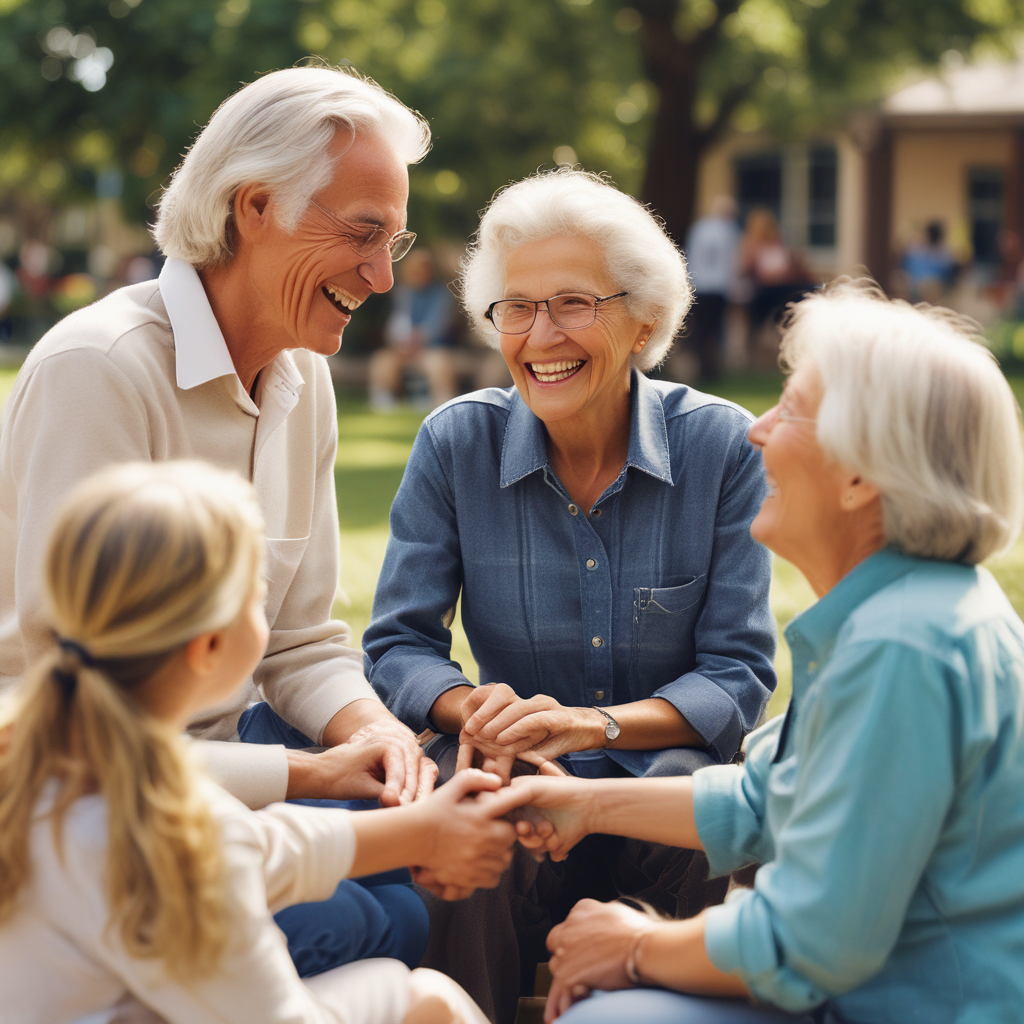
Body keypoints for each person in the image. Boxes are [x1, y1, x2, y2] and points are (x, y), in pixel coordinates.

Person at [0, 66, 433, 977]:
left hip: (217, 771)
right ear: (255, 207)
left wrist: (373, 734)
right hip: (78, 804)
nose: (381, 275)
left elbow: (301, 638)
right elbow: (70, 705)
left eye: (393, 241)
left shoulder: (302, 374)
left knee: (418, 872)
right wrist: (309, 777)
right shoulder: (99, 370)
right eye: (362, 234)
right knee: (361, 920)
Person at [511, 279, 1024, 1023]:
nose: (757, 430)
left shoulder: (902, 647)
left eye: (790, 410)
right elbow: (769, 799)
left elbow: (807, 940)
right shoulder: (913, 611)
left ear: (858, 475)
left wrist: (631, 945)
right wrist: (584, 803)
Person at [363, 168, 777, 1023]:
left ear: (645, 321)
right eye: (517, 306)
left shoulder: (722, 447)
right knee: (469, 799)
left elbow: (736, 673)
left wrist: (599, 725)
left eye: (573, 304)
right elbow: (398, 646)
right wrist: (475, 709)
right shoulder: (455, 444)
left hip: (656, 766)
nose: (539, 333)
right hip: (514, 763)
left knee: (691, 794)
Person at [0, 460, 532, 1024]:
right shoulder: (171, 846)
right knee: (429, 999)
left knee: (399, 981)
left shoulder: (44, 762)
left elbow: (256, 846)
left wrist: (419, 833)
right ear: (208, 646)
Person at [369, 248, 457, 410]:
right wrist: (401, 344)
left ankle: (442, 405)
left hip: (431, 349)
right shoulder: (403, 293)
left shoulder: (441, 295)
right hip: (403, 349)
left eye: (424, 268)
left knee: (438, 363)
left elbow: (437, 325)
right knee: (381, 360)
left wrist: (416, 341)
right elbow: (396, 324)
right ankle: (385, 404)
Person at [682, 196, 741, 381]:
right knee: (715, 330)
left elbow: (691, 257)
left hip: (699, 285)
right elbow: (733, 262)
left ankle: (701, 367)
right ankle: (712, 369)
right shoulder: (729, 231)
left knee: (700, 330)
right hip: (718, 287)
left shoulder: (699, 228)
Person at [900, 220, 957, 303]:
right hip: (914, 286)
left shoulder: (945, 253)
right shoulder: (916, 249)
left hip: (935, 288)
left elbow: (950, 275)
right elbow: (905, 267)